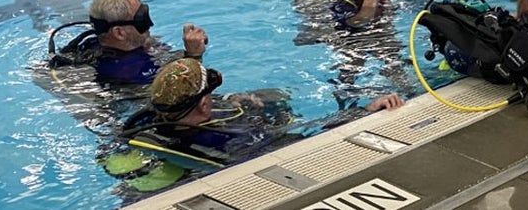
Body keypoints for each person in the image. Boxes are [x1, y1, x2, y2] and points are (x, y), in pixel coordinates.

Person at [121, 58, 404, 168]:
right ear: (205, 104)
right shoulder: (235, 138)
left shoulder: (147, 124)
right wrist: (364, 111)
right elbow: (309, 135)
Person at [77, 0, 209, 85]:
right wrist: (194, 56)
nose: (150, 25)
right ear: (119, 33)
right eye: (141, 21)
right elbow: (181, 91)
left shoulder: (93, 44)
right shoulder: (125, 72)